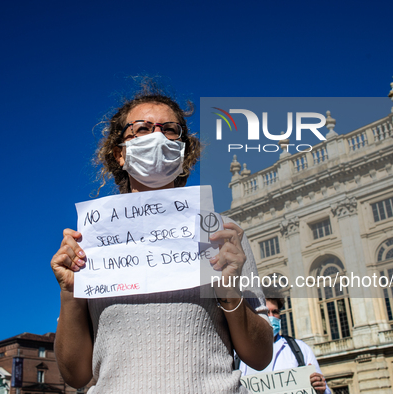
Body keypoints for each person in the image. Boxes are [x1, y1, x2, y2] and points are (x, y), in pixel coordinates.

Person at [50, 84, 273, 393]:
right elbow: (74, 375)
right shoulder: (90, 243)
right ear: (119, 154)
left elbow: (260, 357)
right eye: (141, 128)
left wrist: (228, 289)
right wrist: (70, 293)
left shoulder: (222, 233)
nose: (157, 137)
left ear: (183, 152)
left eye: (170, 130)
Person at [238, 297, 331, 394]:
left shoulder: (301, 349)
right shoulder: (239, 355)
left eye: (275, 312)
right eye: (266, 312)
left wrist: (321, 389)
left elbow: (325, 390)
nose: (271, 316)